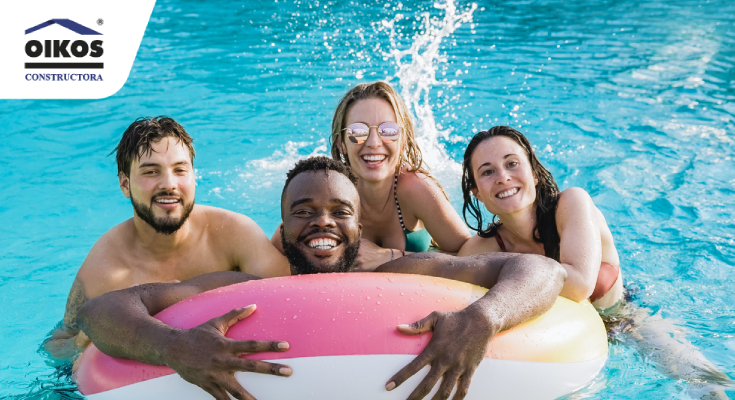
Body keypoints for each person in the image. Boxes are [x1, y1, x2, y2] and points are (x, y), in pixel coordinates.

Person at [78, 156, 566, 400]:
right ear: (283, 226)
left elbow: (541, 270)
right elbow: (103, 310)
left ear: (358, 223)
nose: (323, 222)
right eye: (304, 211)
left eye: (340, 211)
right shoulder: (244, 286)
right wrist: (173, 347)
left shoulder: (399, 272)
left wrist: (484, 317)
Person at [457, 126, 732, 396]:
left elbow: (579, 285)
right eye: (488, 171)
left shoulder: (571, 204)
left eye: (512, 163)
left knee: (707, 385)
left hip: (625, 322)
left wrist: (502, 269)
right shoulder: (480, 248)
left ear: (534, 173)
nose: (503, 177)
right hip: (559, 341)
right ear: (476, 192)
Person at [44, 117, 290, 361]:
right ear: (125, 184)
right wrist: (86, 341)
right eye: (151, 172)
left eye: (180, 170)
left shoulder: (233, 233)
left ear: (193, 177)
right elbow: (59, 347)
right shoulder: (106, 272)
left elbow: (292, 293)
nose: (169, 184)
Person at [272, 82, 471, 270]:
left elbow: (470, 254)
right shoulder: (329, 189)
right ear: (341, 142)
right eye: (358, 131)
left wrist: (389, 257)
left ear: (403, 140)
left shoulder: (415, 188)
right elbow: (276, 251)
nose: (374, 142)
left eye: (388, 130)